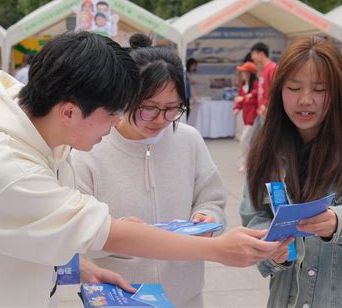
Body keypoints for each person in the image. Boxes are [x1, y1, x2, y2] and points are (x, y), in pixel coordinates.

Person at [0, 31, 287, 307]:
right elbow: (109, 233)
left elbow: (29, 230)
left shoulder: (37, 135)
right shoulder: (6, 168)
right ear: (69, 111)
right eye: (112, 114)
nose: (115, 125)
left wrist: (77, 266)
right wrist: (220, 250)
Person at [240, 36, 342, 307]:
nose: (305, 100)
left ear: (338, 92)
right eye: (294, 87)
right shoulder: (267, 149)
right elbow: (254, 215)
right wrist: (274, 249)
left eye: (319, 89)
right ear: (279, 91)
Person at [70, 40, 226, 307]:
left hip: (185, 295)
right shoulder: (89, 149)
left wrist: (208, 218)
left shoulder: (189, 140)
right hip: (117, 296)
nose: (160, 119)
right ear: (125, 97)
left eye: (172, 108)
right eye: (149, 107)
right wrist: (116, 234)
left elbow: (211, 199)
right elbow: (73, 232)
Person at [232, 61, 259, 173]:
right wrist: (237, 107)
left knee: (244, 140)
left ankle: (246, 163)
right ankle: (249, 162)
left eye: (243, 72)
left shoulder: (256, 84)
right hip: (246, 117)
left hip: (254, 118)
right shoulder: (243, 86)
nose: (241, 74)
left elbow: (256, 96)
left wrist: (244, 98)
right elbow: (240, 99)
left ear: (248, 73)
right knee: (248, 141)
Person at [251, 42, 276, 120]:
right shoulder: (263, 70)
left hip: (268, 111)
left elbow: (275, 89)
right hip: (262, 111)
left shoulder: (272, 68)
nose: (252, 57)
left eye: (254, 54)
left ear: (261, 54)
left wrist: (266, 105)